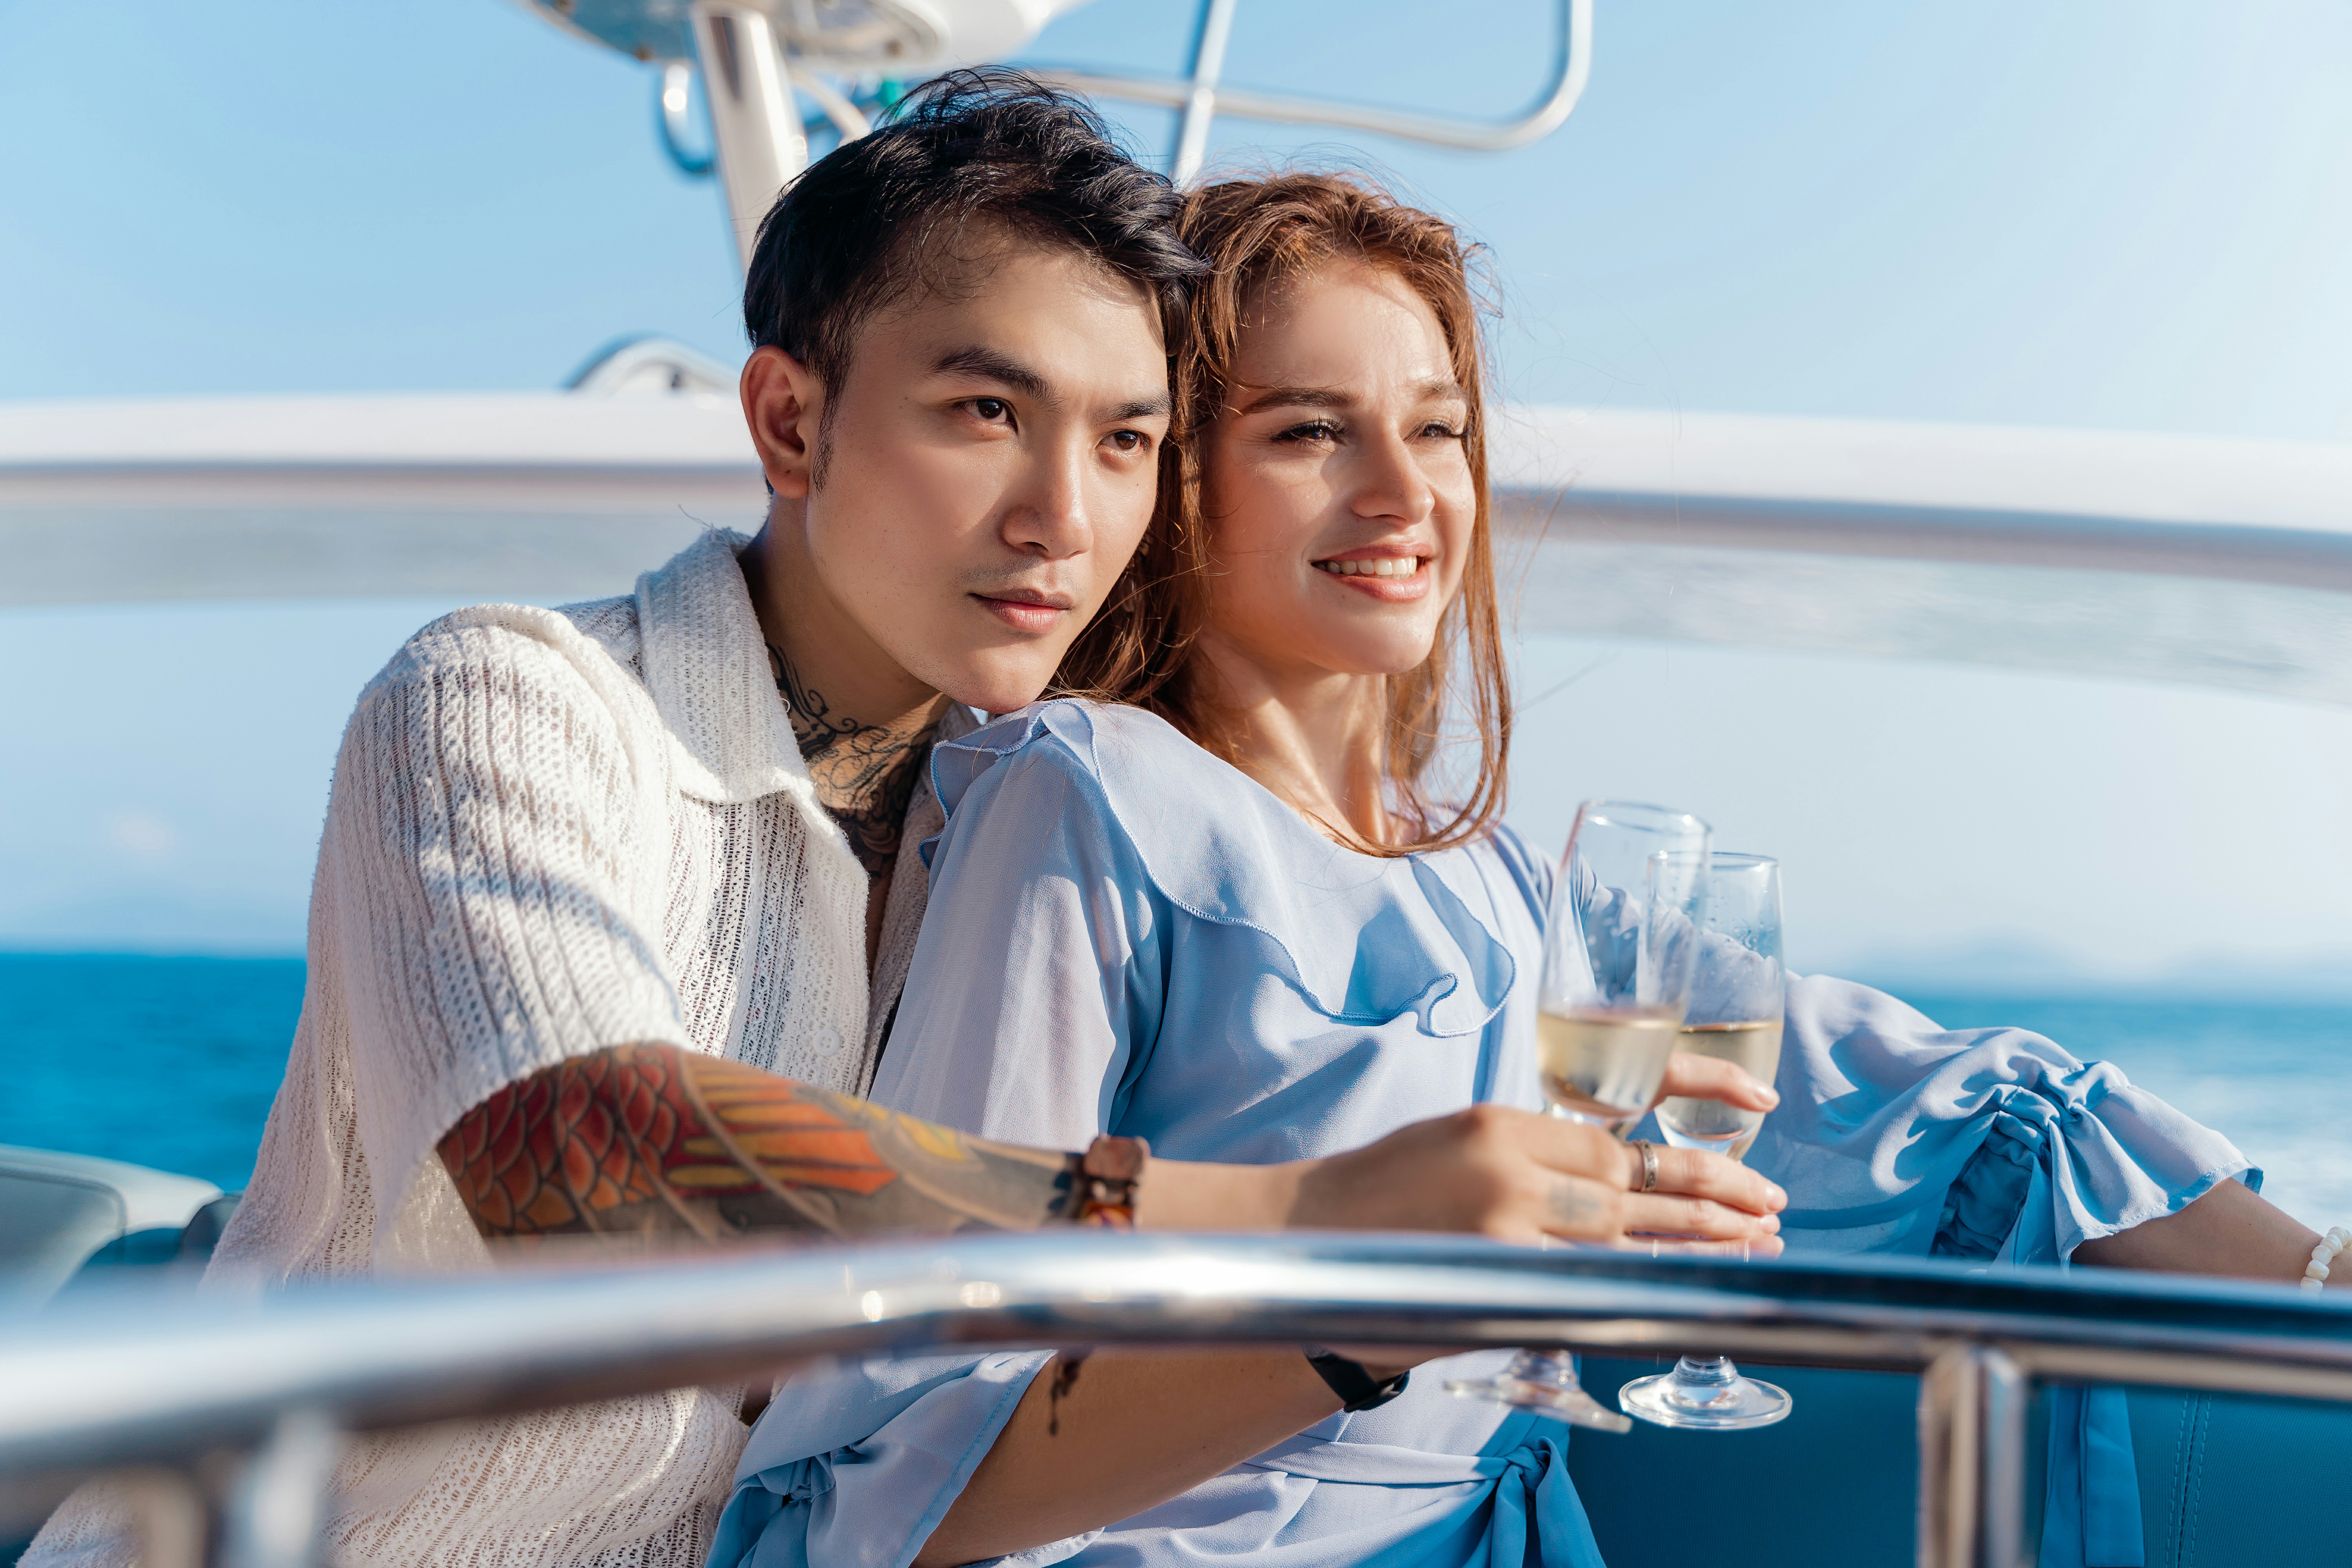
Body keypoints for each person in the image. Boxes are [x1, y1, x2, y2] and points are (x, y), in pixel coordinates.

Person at [22, 80, 1783, 1568]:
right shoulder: (511, 700)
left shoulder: (1041, 803)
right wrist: (1306, 1215)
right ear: (791, 419)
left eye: (1125, 442)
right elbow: (577, 1163)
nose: (1060, 516)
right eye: (987, 413)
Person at [719, 171, 2334, 1568]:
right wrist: (1386, 1294)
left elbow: (1963, 1094)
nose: (1403, 493)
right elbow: (900, 1477)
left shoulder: (1495, 885)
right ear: (1175, 474)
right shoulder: (1083, 799)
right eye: (1309, 432)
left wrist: (2326, 1275)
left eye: (1438, 430)